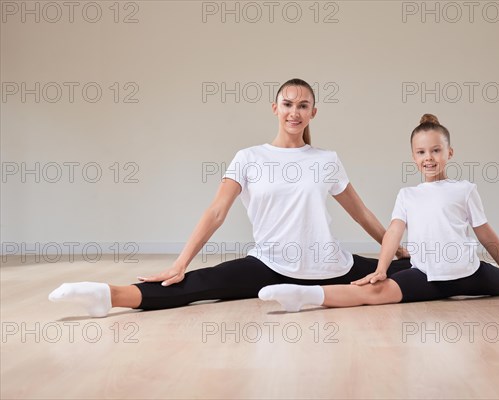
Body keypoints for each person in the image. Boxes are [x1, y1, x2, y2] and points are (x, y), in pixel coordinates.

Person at [48, 78, 411, 317]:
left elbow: (360, 212)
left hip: (331, 267)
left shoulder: (326, 160)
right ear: (275, 109)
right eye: (287, 104)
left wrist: (393, 249)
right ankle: (106, 295)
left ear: (313, 112)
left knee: (418, 269)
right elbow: (217, 211)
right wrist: (179, 262)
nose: (294, 112)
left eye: (303, 106)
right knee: (198, 284)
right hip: (270, 263)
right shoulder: (248, 157)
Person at [258, 114, 499, 312]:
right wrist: (381, 268)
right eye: (421, 152)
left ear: (449, 153)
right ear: (413, 157)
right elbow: (393, 232)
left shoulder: (464, 189)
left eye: (436, 150)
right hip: (427, 275)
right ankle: (304, 296)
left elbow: (485, 234)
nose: (429, 157)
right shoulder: (408, 195)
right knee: (373, 293)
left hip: (471, 273)